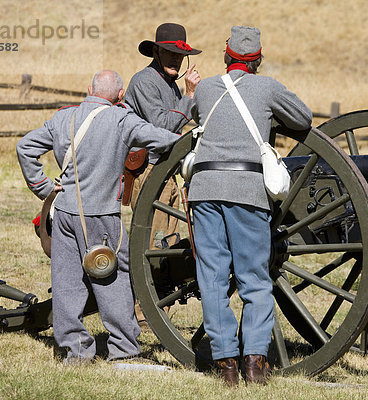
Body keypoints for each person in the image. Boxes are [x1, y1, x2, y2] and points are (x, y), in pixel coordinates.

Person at [16, 70, 180, 364]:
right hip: (102, 215)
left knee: (67, 283)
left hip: (64, 213)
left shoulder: (63, 118)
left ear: (88, 88)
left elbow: (25, 147)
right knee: (114, 281)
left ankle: (76, 352)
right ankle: (124, 349)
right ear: (120, 96)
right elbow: (167, 141)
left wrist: (42, 187)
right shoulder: (122, 120)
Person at [188, 26, 313, 385]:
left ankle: (226, 364)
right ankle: (255, 364)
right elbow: (302, 119)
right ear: (257, 59)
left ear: (226, 55)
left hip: (206, 188)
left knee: (211, 279)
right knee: (255, 280)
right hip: (247, 191)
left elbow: (192, 113)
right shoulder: (267, 87)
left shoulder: (209, 87)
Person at [124, 22, 201, 248]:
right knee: (153, 242)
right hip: (148, 170)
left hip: (165, 170)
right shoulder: (144, 81)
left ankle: (164, 282)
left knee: (169, 238)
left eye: (180, 54)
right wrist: (189, 96)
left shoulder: (170, 85)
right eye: (170, 53)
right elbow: (162, 125)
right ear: (156, 52)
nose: (176, 59)